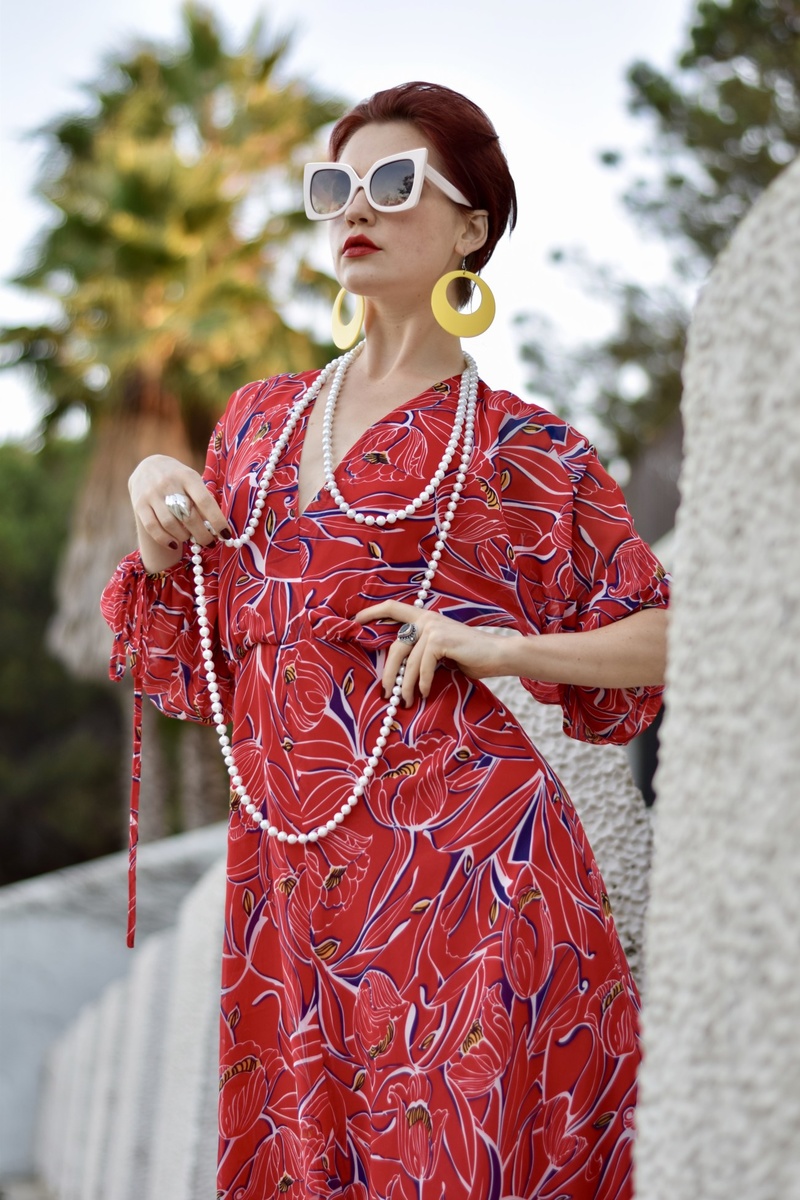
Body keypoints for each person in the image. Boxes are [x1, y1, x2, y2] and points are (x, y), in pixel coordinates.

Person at [102, 81, 669, 1200]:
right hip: (291, 883)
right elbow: (193, 645)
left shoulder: (517, 446)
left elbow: (661, 638)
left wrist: (495, 649)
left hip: (472, 878)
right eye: (335, 186)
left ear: (470, 226)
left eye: (393, 182)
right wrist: (153, 491)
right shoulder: (257, 422)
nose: (353, 207)